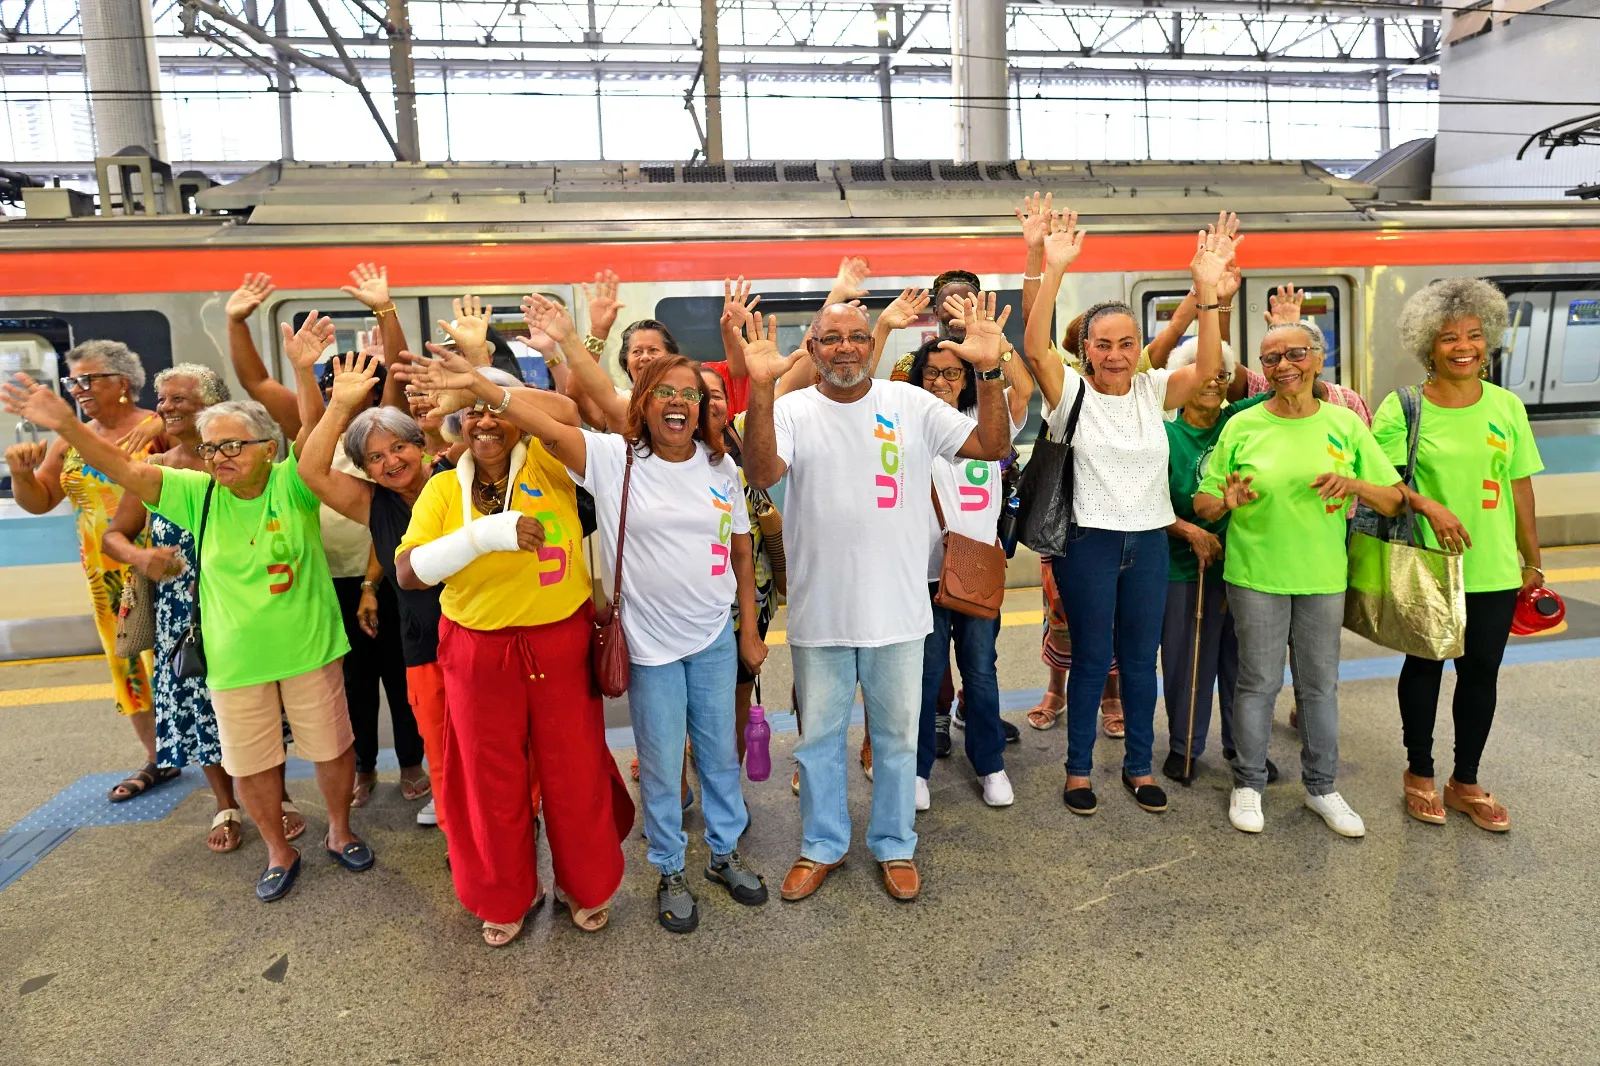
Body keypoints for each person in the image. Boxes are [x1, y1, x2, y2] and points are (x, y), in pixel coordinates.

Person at [4, 373, 372, 903]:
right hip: (232, 659)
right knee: (250, 763)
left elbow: (317, 433)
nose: (219, 456)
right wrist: (66, 424)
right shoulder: (192, 493)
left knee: (333, 750)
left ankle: (339, 830)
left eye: (233, 445)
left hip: (310, 651)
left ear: (269, 449)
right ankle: (278, 850)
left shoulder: (292, 484)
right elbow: (123, 467)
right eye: (211, 447)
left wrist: (332, 396)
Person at [494, 307, 768, 933]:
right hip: (649, 647)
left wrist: (749, 629)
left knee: (720, 757)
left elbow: (743, 550)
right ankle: (670, 865)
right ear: (642, 405)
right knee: (663, 757)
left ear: (702, 408)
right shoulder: (614, 459)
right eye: (664, 394)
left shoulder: (721, 468)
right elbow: (539, 419)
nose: (679, 405)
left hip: (713, 639)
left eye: (690, 396)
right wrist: (490, 386)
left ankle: (724, 855)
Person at [739, 292, 1012, 904]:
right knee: (817, 743)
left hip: (899, 611)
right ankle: (823, 845)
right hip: (821, 615)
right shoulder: (792, 408)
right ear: (812, 350)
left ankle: (894, 845)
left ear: (872, 344)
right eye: (831, 338)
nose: (845, 348)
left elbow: (992, 446)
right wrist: (759, 389)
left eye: (856, 337)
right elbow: (761, 473)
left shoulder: (910, 402)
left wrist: (990, 371)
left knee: (895, 739)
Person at [396, 354, 633, 947]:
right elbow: (408, 572)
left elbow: (567, 410)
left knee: (574, 770)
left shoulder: (553, 461)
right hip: (476, 651)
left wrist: (481, 385)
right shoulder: (442, 488)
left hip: (560, 643)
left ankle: (588, 886)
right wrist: (483, 536)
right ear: (455, 427)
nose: (484, 423)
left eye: (495, 413)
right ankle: (506, 894)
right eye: (470, 416)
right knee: (488, 779)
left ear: (515, 418)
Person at [1023, 213, 1232, 818]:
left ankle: (1139, 766)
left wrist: (1209, 295)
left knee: (1142, 662)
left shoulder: (1154, 389)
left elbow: (1209, 367)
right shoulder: (1069, 394)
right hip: (1087, 544)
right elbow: (1035, 346)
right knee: (1093, 659)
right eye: (1102, 344)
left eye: (1125, 344)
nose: (1115, 355)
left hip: (1148, 545)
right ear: (1085, 349)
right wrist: (1051, 265)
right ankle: (1079, 769)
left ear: (1138, 348)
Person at [1194, 321, 1406, 837]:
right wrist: (1227, 501)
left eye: (1294, 354)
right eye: (1270, 358)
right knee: (1258, 682)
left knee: (1318, 687)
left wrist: (1353, 482)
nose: (1283, 365)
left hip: (1323, 576)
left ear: (1317, 358)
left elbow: (1394, 498)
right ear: (1262, 370)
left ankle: (1322, 788)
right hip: (1255, 575)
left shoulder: (1345, 423)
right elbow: (1203, 502)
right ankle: (1248, 785)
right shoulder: (1242, 425)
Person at [296, 352, 518, 840]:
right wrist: (339, 407)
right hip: (425, 647)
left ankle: (513, 825)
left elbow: (488, 425)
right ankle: (461, 839)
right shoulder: (372, 503)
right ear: (365, 469)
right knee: (440, 750)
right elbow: (311, 472)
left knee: (498, 745)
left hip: (488, 633)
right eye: (375, 458)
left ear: (421, 443)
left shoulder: (455, 473)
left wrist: (475, 360)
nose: (390, 462)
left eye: (399, 447)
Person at [225, 270, 425, 809]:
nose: (345, 390)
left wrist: (386, 310)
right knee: (353, 684)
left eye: (358, 381)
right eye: (333, 382)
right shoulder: (313, 426)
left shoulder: (388, 431)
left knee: (404, 675)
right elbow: (257, 385)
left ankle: (412, 763)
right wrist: (236, 320)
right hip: (325, 584)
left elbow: (402, 377)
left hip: (387, 574)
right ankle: (363, 768)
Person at [101, 364, 308, 851]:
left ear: (213, 406)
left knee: (263, 706)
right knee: (200, 709)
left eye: (178, 399)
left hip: (248, 606)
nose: (166, 408)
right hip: (186, 615)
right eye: (163, 399)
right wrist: (141, 557)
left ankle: (277, 796)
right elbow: (114, 535)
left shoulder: (249, 464)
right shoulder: (156, 470)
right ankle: (225, 804)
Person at [1376, 278, 1542, 832]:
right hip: (1429, 567)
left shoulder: (1507, 407)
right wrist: (1428, 506)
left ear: (1488, 340)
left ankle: (1464, 779)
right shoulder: (1403, 409)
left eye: (1473, 335)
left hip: (1493, 569)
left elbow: (1519, 486)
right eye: (1449, 338)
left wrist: (1532, 562)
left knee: (1481, 676)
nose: (1463, 346)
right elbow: (1379, 483)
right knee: (1424, 669)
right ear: (1430, 346)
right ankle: (1419, 773)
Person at [4, 340, 165, 801]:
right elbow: (41, 500)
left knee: (186, 660)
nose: (78, 389)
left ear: (123, 383)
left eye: (88, 379)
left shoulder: (156, 427)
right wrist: (20, 475)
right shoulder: (66, 437)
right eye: (73, 381)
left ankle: (220, 752)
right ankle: (158, 759)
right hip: (104, 575)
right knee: (129, 665)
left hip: (162, 562)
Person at [910, 309, 1032, 811]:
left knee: (981, 671)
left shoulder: (988, 419)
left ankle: (990, 763)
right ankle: (916, 771)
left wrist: (997, 346)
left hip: (979, 567)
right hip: (924, 574)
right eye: (932, 373)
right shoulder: (905, 424)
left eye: (952, 372)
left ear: (966, 378)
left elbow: (1022, 390)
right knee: (926, 672)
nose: (941, 381)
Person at [1156, 338, 1278, 785]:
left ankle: (1243, 747)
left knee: (1244, 664)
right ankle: (1184, 747)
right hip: (1184, 567)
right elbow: (1144, 501)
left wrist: (1283, 330)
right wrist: (1189, 530)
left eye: (1222, 375)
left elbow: (1294, 384)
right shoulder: (1164, 434)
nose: (1213, 382)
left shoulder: (1241, 420)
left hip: (1246, 565)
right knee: (1187, 663)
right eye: (1203, 372)